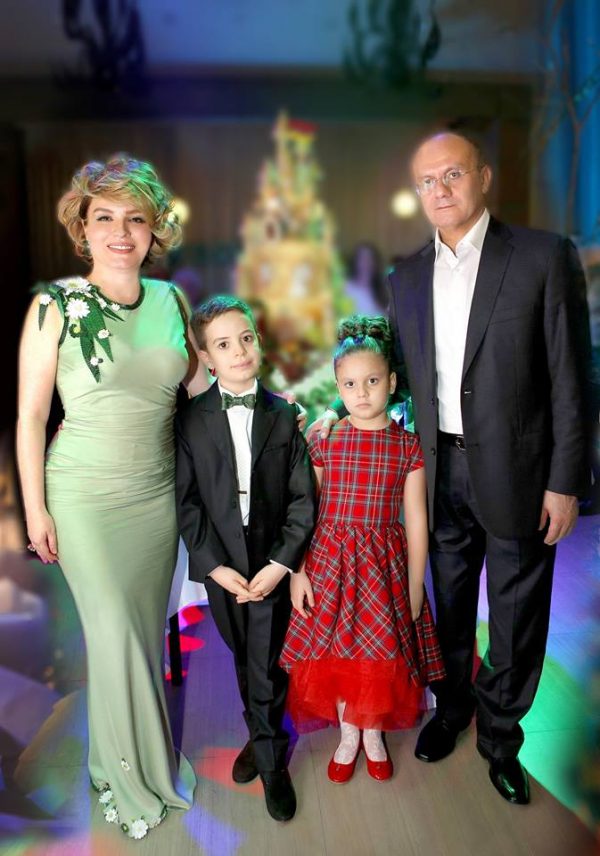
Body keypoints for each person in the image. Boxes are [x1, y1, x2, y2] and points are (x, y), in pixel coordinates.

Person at [313, 132, 592, 805]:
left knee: (517, 615)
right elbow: (394, 375)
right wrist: (336, 414)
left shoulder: (542, 257)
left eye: (453, 175)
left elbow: (572, 379)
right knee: (448, 607)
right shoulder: (405, 276)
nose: (440, 190)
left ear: (483, 177)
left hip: (522, 474)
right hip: (435, 472)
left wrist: (565, 481)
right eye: (426, 181)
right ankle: (453, 707)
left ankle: (500, 737)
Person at [17, 155, 206, 838]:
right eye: (105, 217)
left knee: (140, 637)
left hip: (155, 498)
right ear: (83, 226)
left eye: (136, 219)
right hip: (84, 498)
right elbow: (31, 416)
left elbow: (201, 389)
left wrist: (277, 409)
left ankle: (115, 762)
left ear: (155, 230)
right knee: (116, 634)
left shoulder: (170, 302)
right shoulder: (56, 305)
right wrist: (35, 508)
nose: (120, 232)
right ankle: (135, 782)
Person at [280, 315, 445, 784]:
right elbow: (303, 512)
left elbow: (416, 519)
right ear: (337, 388)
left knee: (377, 652)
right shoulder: (325, 441)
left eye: (372, 381)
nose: (362, 392)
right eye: (350, 384)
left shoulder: (408, 447)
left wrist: (416, 583)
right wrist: (297, 571)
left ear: (391, 382)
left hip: (381, 569)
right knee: (334, 653)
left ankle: (372, 732)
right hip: (329, 564)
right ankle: (348, 732)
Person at [175, 295, 317, 822]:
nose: (238, 351)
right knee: (244, 654)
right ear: (206, 357)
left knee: (266, 658)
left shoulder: (283, 415)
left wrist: (282, 564)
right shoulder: (190, 421)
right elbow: (186, 502)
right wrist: (214, 566)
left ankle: (271, 760)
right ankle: (261, 734)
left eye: (246, 338)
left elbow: (302, 499)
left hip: (270, 558)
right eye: (223, 345)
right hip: (223, 562)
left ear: (258, 341)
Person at [345, 242, 388, 315]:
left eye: (370, 258)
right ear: (355, 262)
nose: (366, 262)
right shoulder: (346, 288)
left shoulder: (383, 289)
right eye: (362, 258)